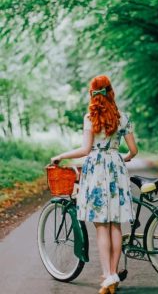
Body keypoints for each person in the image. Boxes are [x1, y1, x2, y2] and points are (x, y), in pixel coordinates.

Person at [51, 75, 138, 294]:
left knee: (101, 226)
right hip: (116, 169)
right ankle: (113, 276)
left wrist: (61, 156)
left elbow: (84, 150)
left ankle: (108, 275)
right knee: (116, 225)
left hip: (96, 171)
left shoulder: (90, 117)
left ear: (92, 94)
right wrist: (122, 159)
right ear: (111, 92)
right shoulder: (124, 117)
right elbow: (134, 151)